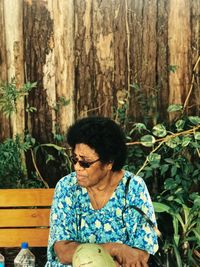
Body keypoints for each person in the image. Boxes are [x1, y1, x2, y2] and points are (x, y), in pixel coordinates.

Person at [46, 116, 159, 267]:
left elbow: (140, 253)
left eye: (85, 163)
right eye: (74, 159)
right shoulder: (67, 187)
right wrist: (114, 249)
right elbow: (63, 252)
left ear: (108, 163)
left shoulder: (133, 188)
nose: (77, 167)